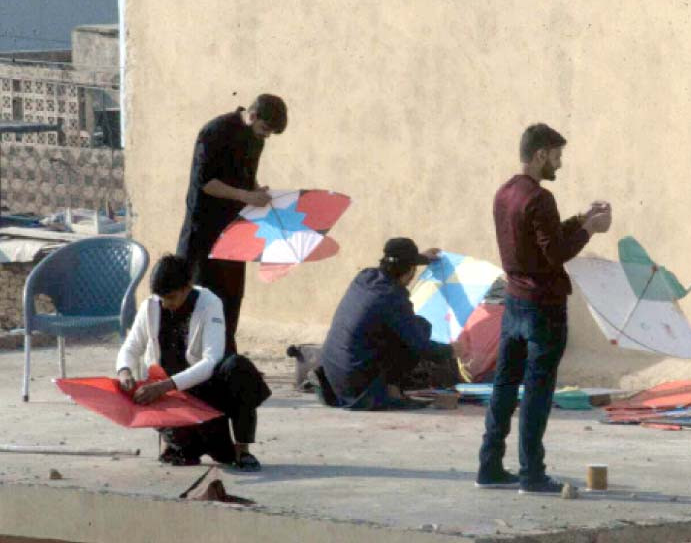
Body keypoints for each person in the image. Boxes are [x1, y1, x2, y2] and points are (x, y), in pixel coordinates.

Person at [476, 123, 611, 493]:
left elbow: (541, 239)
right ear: (540, 155)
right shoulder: (540, 197)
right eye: (556, 156)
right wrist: (589, 232)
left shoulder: (505, 193)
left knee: (504, 385)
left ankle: (489, 466)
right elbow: (555, 253)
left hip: (515, 303)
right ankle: (531, 473)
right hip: (543, 308)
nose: (559, 164)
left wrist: (582, 219)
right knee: (537, 391)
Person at [116, 254, 271, 471]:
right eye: (162, 299)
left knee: (238, 368)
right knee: (185, 453)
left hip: (203, 390)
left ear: (187, 287)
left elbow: (210, 360)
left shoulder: (210, 304)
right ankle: (170, 443)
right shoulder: (150, 307)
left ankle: (242, 450)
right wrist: (124, 371)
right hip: (170, 398)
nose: (166, 304)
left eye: (171, 297)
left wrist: (166, 385)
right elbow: (131, 347)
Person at [176, 94, 287, 355]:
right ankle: (194, 361)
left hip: (235, 232)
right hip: (203, 232)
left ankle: (224, 360)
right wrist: (247, 196)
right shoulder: (215, 131)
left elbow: (245, 177)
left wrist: (257, 190)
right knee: (202, 298)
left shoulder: (255, 139)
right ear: (253, 116)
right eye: (264, 130)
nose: (265, 137)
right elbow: (207, 182)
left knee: (230, 299)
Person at [318, 238, 454, 410]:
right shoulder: (393, 297)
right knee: (420, 328)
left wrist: (423, 258)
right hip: (357, 387)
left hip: (333, 375)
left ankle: (384, 386)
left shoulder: (365, 277)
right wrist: (452, 350)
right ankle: (389, 389)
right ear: (411, 270)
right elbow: (421, 346)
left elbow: (401, 262)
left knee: (409, 326)